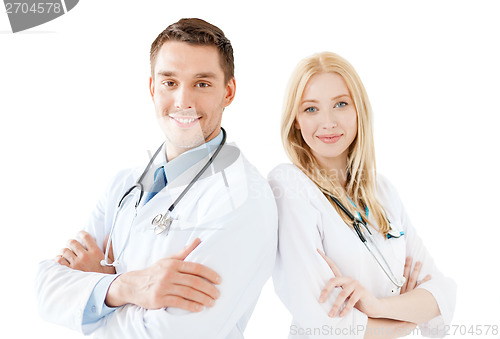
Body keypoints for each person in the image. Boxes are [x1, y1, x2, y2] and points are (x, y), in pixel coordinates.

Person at [35, 18, 278, 338]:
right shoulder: (123, 185)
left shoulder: (241, 200)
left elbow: (170, 333)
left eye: (202, 83)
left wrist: (95, 291)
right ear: (153, 88)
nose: (183, 101)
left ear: (228, 91)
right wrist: (127, 286)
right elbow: (45, 290)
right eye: (169, 82)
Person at [268, 52, 456, 338]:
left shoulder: (383, 191)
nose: (328, 122)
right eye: (311, 109)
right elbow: (322, 317)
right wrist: (402, 321)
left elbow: (442, 293)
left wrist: (375, 305)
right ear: (295, 120)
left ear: (358, 110)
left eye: (340, 104)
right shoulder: (289, 185)